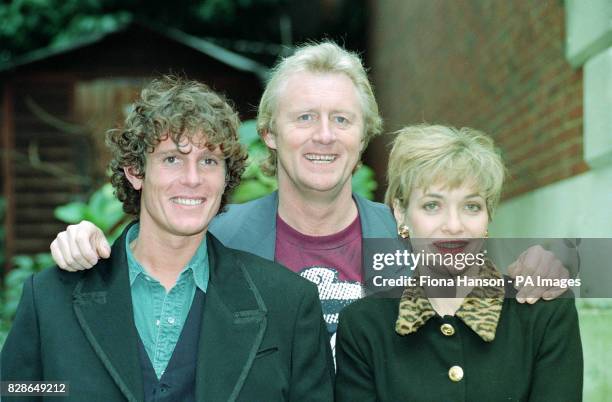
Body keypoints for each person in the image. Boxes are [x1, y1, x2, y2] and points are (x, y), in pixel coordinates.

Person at [48, 42, 574, 351]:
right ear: (270, 133)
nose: (323, 135)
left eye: (340, 120)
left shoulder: (411, 236)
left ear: (363, 134)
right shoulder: (218, 235)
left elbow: (500, 290)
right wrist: (87, 246)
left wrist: (546, 266)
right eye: (304, 118)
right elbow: (134, 281)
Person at [1, 76, 334, 401]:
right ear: (135, 172)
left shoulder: (288, 304)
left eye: (208, 161)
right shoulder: (51, 298)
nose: (192, 179)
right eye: (172, 159)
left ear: (225, 177)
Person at [334, 125, 583, 401]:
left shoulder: (544, 312)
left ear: (488, 214)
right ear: (401, 213)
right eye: (432, 205)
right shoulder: (364, 325)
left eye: (471, 206)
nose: (454, 226)